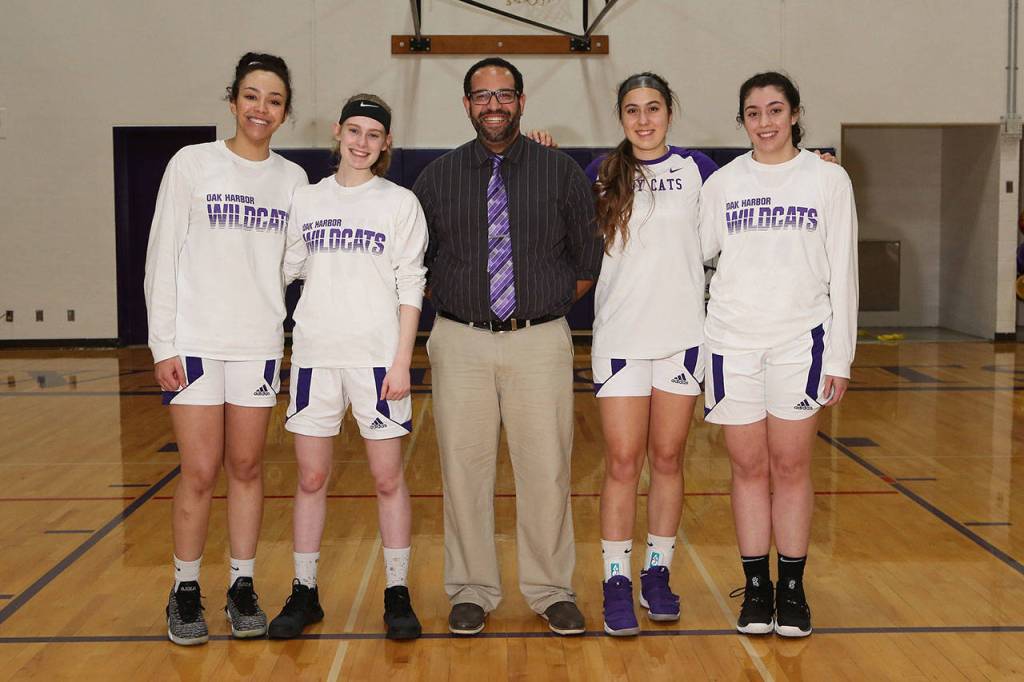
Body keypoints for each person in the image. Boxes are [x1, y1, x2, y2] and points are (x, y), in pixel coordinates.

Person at [412, 57, 603, 636]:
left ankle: (551, 589)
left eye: (504, 94)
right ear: (467, 104)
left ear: (521, 101)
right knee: (463, 469)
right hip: (460, 341)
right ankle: (471, 588)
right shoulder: (437, 178)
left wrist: (538, 312)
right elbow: (413, 264)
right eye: (481, 95)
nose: (493, 104)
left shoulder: (560, 171)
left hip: (538, 339)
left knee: (546, 470)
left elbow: (586, 260)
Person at [144, 52, 308, 645]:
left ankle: (242, 585)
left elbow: (295, 260)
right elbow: (162, 255)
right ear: (233, 99)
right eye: (251, 95)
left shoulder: (291, 180)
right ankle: (186, 589)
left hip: (257, 343)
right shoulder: (193, 164)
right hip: (193, 342)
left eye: (273, 100)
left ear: (285, 112)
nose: (260, 108)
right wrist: (162, 342)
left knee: (245, 467)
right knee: (199, 469)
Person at [699, 71, 859, 638]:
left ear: (794, 113)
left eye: (774, 110)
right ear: (742, 120)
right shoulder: (720, 184)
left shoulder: (827, 180)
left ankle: (791, 588)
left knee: (791, 467)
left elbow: (843, 270)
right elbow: (693, 257)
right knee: (748, 468)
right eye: (753, 112)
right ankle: (757, 587)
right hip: (730, 342)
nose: (764, 122)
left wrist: (840, 356)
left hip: (801, 341)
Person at [269, 94, 427, 641]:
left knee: (387, 479)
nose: (361, 142)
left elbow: (412, 284)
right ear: (337, 132)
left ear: (386, 143)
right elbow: (284, 270)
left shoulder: (399, 202)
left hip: (378, 361)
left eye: (373, 134)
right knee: (311, 477)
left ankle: (396, 592)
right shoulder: (305, 200)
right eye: (353, 130)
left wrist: (403, 360)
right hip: (316, 357)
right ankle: (304, 591)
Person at [584, 73, 717, 636]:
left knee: (667, 459)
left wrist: (818, 164)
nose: (644, 119)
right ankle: (615, 578)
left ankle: (656, 572)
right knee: (621, 461)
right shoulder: (601, 173)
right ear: (620, 117)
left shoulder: (701, 171)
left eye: (654, 108)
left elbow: (767, 182)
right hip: (620, 339)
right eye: (633, 110)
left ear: (670, 111)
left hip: (682, 337)